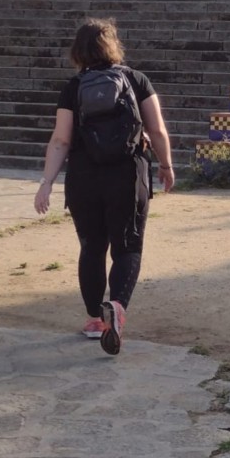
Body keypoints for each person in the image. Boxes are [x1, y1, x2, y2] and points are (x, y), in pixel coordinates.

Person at [34, 18, 175, 354]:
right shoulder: (136, 80)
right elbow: (157, 130)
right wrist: (166, 165)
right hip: (127, 175)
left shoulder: (73, 87)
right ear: (113, 46)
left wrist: (46, 182)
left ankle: (95, 319)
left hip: (84, 177)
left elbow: (60, 139)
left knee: (92, 248)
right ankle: (118, 306)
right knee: (127, 248)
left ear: (78, 50)